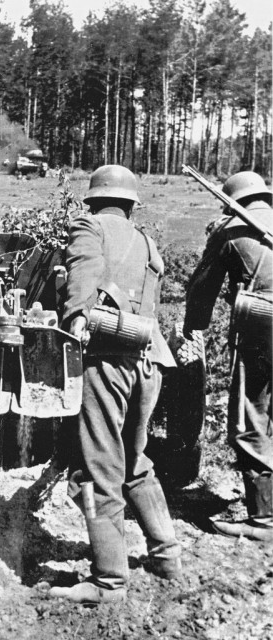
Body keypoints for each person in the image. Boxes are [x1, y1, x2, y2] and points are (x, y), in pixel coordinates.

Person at [49, 165, 181, 606]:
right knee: (134, 461)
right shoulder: (145, 241)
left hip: (107, 360)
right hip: (149, 362)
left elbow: (84, 272)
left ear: (93, 200)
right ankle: (167, 555)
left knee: (97, 471)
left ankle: (108, 580)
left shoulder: (88, 227)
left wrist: (76, 317)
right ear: (130, 204)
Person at [183, 171, 272, 542]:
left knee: (252, 415)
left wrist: (192, 327)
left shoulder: (231, 230)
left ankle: (264, 521)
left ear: (232, 200)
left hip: (263, 327)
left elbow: (202, 289)